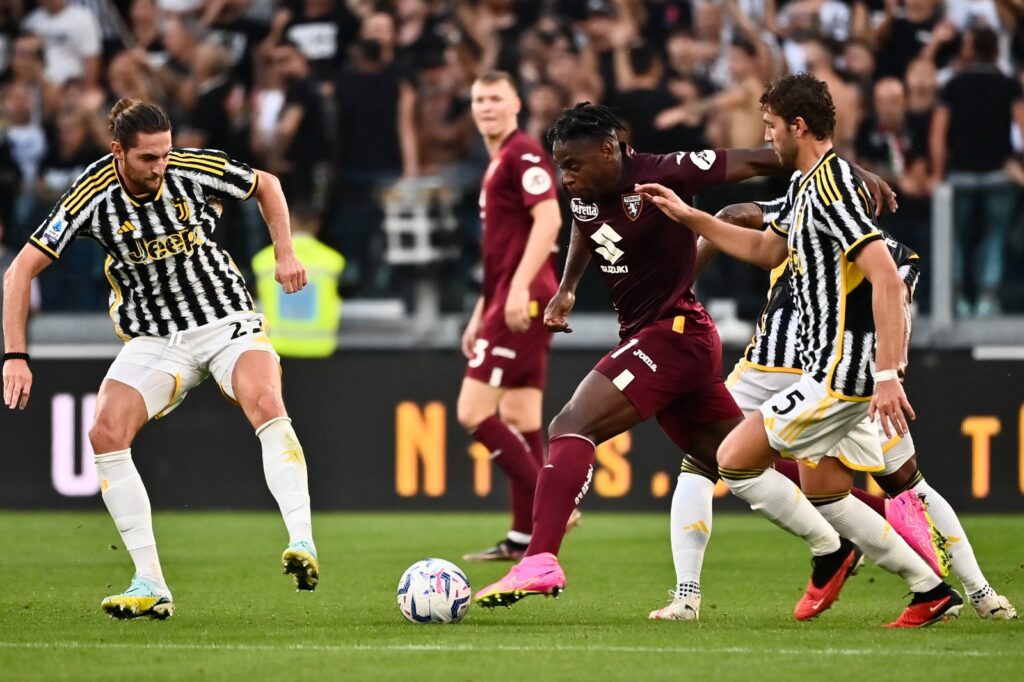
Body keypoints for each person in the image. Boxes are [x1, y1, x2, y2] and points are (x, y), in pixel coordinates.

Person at [472, 102, 892, 611]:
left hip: (673, 334)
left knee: (571, 425)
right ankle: (891, 520)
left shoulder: (666, 171)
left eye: (574, 165)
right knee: (738, 462)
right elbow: (585, 225)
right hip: (666, 340)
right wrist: (568, 287)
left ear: (609, 150)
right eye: (561, 166)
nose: (567, 178)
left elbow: (760, 159)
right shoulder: (586, 190)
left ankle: (540, 559)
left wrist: (849, 173)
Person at [636, 73, 963, 628]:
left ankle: (838, 554)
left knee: (732, 459)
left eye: (770, 127)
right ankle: (929, 590)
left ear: (799, 126)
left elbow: (886, 277)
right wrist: (691, 217)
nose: (766, 138)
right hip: (827, 369)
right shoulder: (805, 185)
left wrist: (888, 374)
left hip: (839, 374)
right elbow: (767, 249)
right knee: (826, 489)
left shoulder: (830, 189)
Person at [2, 99, 319, 619]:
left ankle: (302, 542)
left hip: (224, 318)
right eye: (148, 158)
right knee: (104, 432)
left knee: (265, 401)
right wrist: (15, 354)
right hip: (154, 338)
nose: (160, 167)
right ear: (117, 151)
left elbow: (267, 184)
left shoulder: (192, 168)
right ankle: (150, 581)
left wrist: (286, 251)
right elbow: (19, 271)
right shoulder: (91, 194)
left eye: (166, 154)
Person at [651, 196, 1016, 621]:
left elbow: (733, 215)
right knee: (905, 483)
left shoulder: (801, 213)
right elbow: (897, 307)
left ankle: (691, 595)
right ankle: (981, 595)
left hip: (787, 371)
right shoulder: (897, 253)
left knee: (705, 463)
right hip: (853, 376)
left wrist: (670, 294)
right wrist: (891, 371)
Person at [457, 72, 563, 561]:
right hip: (510, 294)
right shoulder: (500, 159)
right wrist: (481, 311)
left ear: (516, 103)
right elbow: (504, 251)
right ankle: (523, 538)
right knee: (520, 417)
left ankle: (554, 501)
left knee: (472, 411)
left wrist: (518, 289)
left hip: (524, 296)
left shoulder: (522, 153)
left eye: (496, 98)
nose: (487, 106)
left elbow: (550, 218)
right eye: (479, 99)